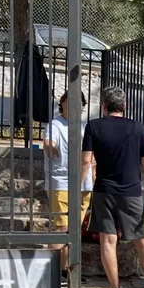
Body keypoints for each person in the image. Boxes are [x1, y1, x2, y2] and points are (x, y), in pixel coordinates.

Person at [81, 86, 144, 288]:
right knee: (142, 240)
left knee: (107, 241)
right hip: (131, 192)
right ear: (125, 106)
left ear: (104, 106)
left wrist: (79, 187)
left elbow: (86, 161)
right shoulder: (137, 128)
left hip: (104, 191)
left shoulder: (93, 126)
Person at [43, 90, 91, 272]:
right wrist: (50, 148)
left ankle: (66, 271)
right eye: (69, 100)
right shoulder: (55, 124)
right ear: (62, 103)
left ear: (83, 106)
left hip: (85, 183)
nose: (73, 104)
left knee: (74, 230)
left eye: (78, 102)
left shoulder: (85, 127)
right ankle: (53, 272)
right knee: (62, 227)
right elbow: (48, 142)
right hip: (61, 181)